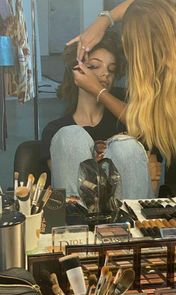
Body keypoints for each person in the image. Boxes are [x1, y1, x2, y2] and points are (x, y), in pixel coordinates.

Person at [68, 0, 176, 194]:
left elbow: (148, 126)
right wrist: (105, 20)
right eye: (93, 66)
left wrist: (98, 91)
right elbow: (143, 4)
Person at [40, 31, 155, 200]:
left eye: (112, 69)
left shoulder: (124, 121)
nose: (105, 74)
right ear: (76, 72)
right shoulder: (55, 130)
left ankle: (129, 222)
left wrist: (99, 92)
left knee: (126, 146)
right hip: (78, 218)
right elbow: (64, 177)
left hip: (126, 214)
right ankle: (79, 221)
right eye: (94, 66)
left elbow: (150, 180)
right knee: (70, 135)